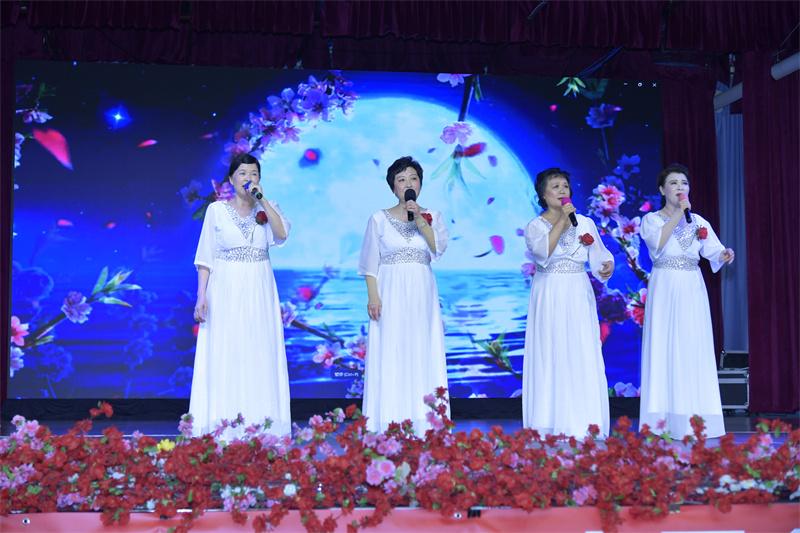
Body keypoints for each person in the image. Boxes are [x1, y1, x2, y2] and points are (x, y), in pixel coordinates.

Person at [189, 153, 292, 438]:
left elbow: (282, 235)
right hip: (225, 288)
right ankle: (222, 425)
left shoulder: (268, 209)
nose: (249, 178)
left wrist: (263, 200)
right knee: (227, 351)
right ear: (232, 180)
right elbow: (205, 257)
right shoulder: (217, 211)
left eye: (254, 173)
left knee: (259, 350)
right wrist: (201, 296)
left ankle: (262, 425)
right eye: (243, 173)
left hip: (259, 288)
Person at [639, 163, 735, 438]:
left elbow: (713, 251)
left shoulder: (698, 221)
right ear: (662, 190)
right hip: (664, 285)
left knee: (692, 345)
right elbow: (657, 243)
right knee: (664, 344)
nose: (680, 187)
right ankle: (662, 421)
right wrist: (680, 213)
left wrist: (724, 255)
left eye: (684, 183)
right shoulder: (651, 220)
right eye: (673, 183)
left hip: (692, 285)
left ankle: (696, 419)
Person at [358, 156, 450, 433]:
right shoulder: (378, 219)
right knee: (391, 350)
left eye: (413, 178)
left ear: (420, 184)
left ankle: (425, 421)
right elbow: (369, 263)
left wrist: (420, 218)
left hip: (422, 291)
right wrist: (373, 297)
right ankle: (389, 420)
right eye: (402, 179)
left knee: (422, 347)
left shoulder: (433, 216)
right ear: (393, 186)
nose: (408, 183)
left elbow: (437, 249)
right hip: (390, 290)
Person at [523, 168, 614, 438]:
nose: (562, 190)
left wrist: (606, 266)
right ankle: (550, 423)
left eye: (565, 186)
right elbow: (542, 253)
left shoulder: (584, 223)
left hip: (577, 291)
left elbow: (599, 255)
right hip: (549, 291)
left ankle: (584, 422)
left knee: (581, 349)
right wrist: (563, 220)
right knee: (551, 350)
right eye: (555, 186)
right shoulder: (535, 226)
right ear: (542, 194)